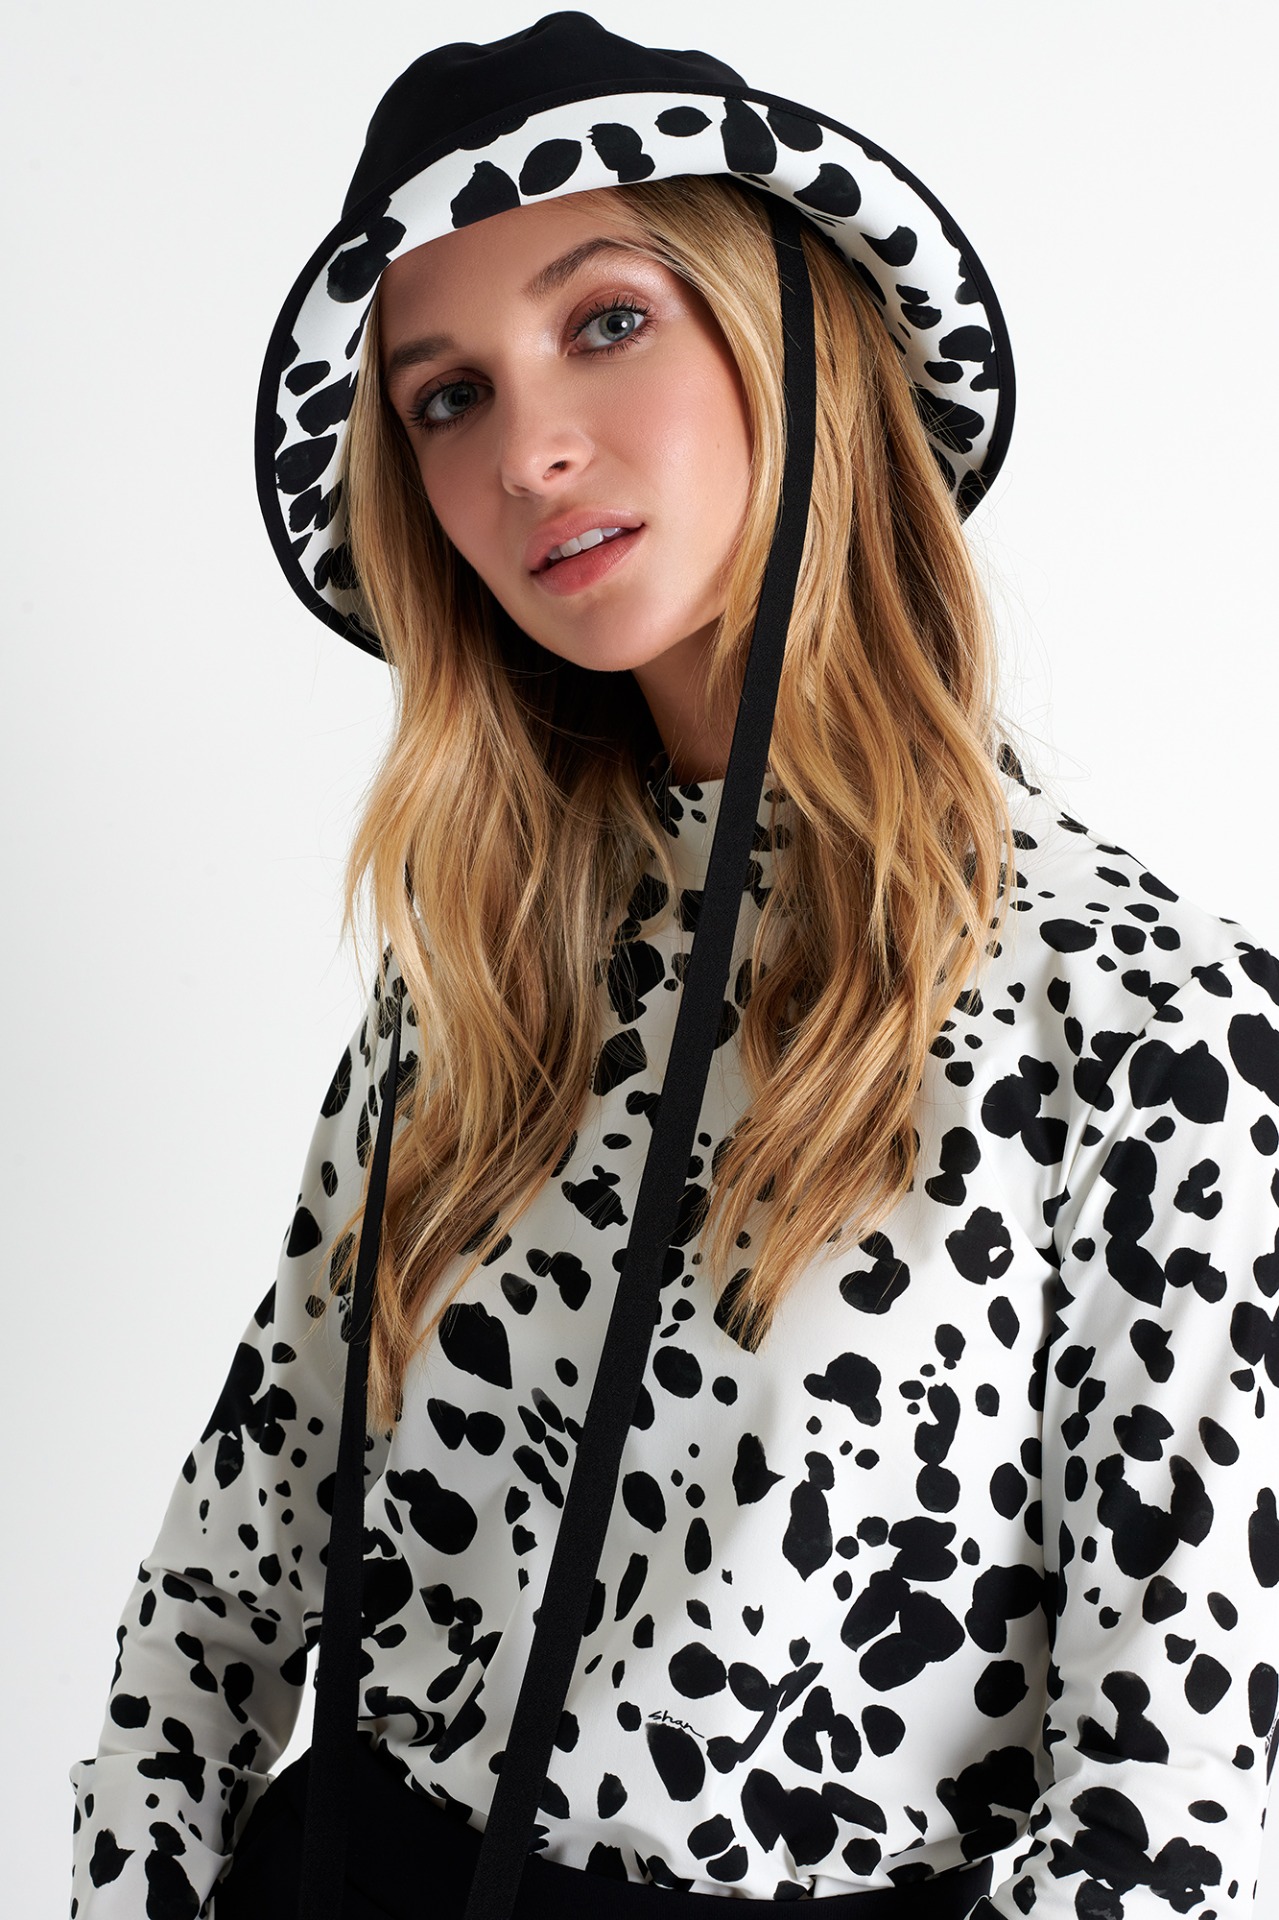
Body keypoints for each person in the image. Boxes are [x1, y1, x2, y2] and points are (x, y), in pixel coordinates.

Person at [71, 13, 1279, 1918]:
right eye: (444, 398)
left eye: (609, 319)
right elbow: (217, 1604)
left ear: (792, 333)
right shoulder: (480, 980)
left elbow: (1166, 1820)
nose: (530, 448)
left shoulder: (1150, 1026)